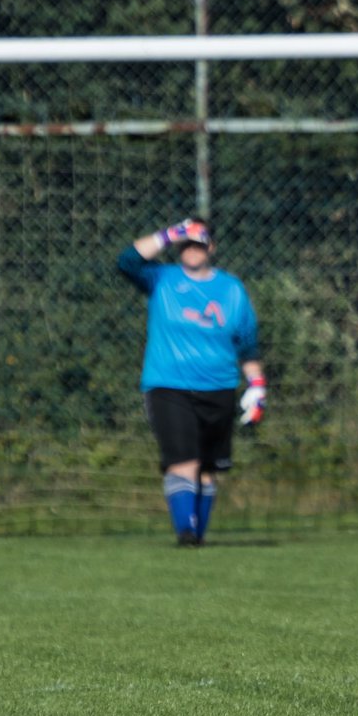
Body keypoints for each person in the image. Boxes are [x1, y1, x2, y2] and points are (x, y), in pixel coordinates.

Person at [117, 217, 266, 547]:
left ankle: (196, 534)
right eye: (186, 244)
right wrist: (169, 234)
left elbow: (247, 344)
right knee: (183, 461)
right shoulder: (162, 279)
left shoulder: (231, 289)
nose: (192, 249)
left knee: (207, 468)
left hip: (220, 387)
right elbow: (127, 261)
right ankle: (186, 534)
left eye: (199, 243)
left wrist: (257, 387)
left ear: (211, 247)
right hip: (169, 385)